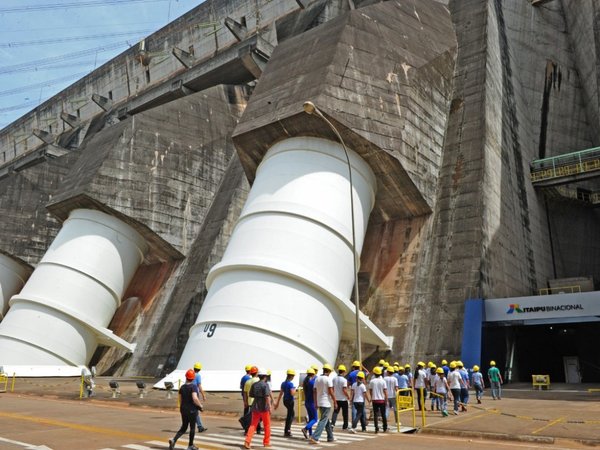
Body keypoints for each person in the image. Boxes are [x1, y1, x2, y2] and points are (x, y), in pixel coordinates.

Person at [169, 369, 204, 450]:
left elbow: (180, 400)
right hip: (192, 410)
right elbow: (195, 398)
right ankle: (190, 445)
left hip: (183, 409)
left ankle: (174, 440)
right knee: (192, 428)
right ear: (193, 378)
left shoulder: (182, 387)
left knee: (184, 427)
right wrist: (200, 406)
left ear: (186, 377)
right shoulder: (193, 387)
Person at [309, 364, 337, 444]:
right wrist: (335, 401)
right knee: (323, 420)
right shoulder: (328, 379)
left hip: (320, 402)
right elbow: (331, 392)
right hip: (326, 403)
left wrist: (315, 402)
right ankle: (315, 437)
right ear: (329, 371)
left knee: (326, 420)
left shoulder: (317, 379)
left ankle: (330, 437)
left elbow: (314, 391)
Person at [244, 368, 272, 449]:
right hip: (264, 407)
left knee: (253, 425)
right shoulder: (265, 385)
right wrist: (269, 406)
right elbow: (267, 396)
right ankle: (266, 442)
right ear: (265, 376)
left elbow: (251, 395)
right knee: (267, 425)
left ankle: (247, 441)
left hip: (255, 406)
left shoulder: (254, 385)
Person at [274, 369, 296, 437]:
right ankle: (287, 430)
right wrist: (295, 389)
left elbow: (281, 394)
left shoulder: (283, 383)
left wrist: (277, 403)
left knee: (290, 414)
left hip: (285, 401)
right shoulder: (291, 384)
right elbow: (292, 393)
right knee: (290, 415)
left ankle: (287, 430)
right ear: (291, 376)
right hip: (290, 401)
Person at [331, 364, 350, 430]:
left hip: (336, 398)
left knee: (335, 412)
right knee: (345, 413)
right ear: (344, 371)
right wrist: (348, 396)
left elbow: (332, 389)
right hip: (343, 399)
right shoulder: (344, 380)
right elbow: (344, 390)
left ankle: (332, 424)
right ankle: (345, 426)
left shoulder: (334, 379)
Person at [369, 366, 388, 433]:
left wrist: (372, 397)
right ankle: (385, 427)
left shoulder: (372, 381)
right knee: (383, 414)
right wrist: (386, 399)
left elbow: (370, 391)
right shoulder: (383, 381)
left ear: (374, 373)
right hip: (382, 400)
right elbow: (385, 391)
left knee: (375, 415)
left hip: (375, 400)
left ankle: (376, 428)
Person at [242, 366, 260, 434]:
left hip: (250, 401)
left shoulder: (247, 382)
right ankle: (258, 429)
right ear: (257, 373)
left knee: (250, 416)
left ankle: (247, 429)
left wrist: (245, 402)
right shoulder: (258, 380)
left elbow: (245, 393)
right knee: (258, 415)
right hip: (257, 401)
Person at [301, 368, 318, 439]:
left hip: (307, 402)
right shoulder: (312, 383)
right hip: (312, 402)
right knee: (315, 419)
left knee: (311, 419)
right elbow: (315, 392)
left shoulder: (305, 382)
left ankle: (310, 434)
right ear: (313, 374)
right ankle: (305, 428)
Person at [192, 362, 208, 433]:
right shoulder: (198, 376)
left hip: (189, 393)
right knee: (195, 411)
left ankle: (199, 426)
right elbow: (199, 386)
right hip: (195, 393)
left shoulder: (190, 374)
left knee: (193, 410)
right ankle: (199, 426)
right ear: (199, 369)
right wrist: (203, 395)